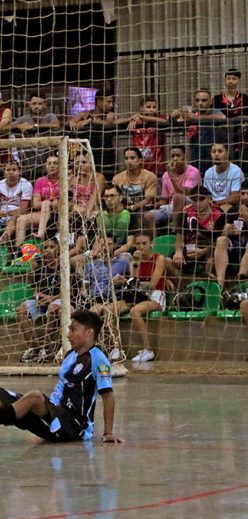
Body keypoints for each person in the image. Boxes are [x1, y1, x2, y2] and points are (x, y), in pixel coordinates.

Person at [0, 310, 123, 445]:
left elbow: (108, 396)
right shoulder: (70, 355)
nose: (68, 335)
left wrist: (108, 433)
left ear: (89, 333)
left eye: (73, 330)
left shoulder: (98, 359)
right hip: (51, 415)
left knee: (35, 397)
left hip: (73, 426)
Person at [92, 232, 167, 363]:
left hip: (155, 296)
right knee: (109, 309)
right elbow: (134, 281)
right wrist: (132, 269)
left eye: (144, 243)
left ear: (151, 244)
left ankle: (148, 350)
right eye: (138, 243)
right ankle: (116, 348)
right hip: (137, 295)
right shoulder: (134, 260)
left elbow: (152, 285)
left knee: (135, 311)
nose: (141, 246)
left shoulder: (159, 259)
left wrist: (128, 281)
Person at [17, 239, 63, 364]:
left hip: (60, 300)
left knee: (53, 307)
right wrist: (38, 297)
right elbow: (35, 289)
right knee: (20, 310)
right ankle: (34, 348)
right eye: (46, 247)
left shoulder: (64, 266)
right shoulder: (39, 267)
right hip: (42, 301)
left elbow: (70, 291)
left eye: (52, 247)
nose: (48, 250)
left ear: (58, 249)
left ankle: (45, 349)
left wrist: (51, 298)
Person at [69, 91, 128, 176]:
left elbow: (110, 123)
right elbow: (72, 123)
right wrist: (80, 122)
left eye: (112, 102)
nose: (111, 105)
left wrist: (91, 122)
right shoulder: (85, 114)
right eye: (108, 102)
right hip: (88, 155)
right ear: (99, 102)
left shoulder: (110, 115)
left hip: (106, 157)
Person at [146, 144, 201, 234]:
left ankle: (175, 232)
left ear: (185, 157)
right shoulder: (165, 175)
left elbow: (186, 192)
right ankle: (154, 242)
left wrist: (172, 177)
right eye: (172, 156)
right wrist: (156, 204)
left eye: (178, 156)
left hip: (192, 204)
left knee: (178, 197)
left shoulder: (193, 171)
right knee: (149, 216)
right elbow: (165, 200)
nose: (175, 158)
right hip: (172, 206)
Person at [171, 89, 226, 173]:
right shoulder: (192, 114)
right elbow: (178, 121)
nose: (200, 103)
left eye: (204, 100)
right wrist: (173, 116)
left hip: (213, 156)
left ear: (211, 101)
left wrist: (197, 118)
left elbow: (222, 117)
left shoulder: (214, 112)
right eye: (197, 100)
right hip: (196, 156)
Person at [112, 147, 159, 227]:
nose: (129, 161)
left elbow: (148, 199)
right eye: (126, 158)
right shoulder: (117, 178)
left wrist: (133, 207)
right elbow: (114, 197)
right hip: (122, 209)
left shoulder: (149, 176)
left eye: (132, 158)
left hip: (142, 209)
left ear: (140, 160)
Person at [214, 183, 248, 288]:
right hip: (236, 245)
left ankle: (241, 278)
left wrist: (246, 216)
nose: (245, 197)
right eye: (243, 194)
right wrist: (228, 231)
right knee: (221, 240)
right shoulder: (234, 210)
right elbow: (224, 232)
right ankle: (220, 283)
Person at [213, 68, 246, 166]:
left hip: (241, 136)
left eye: (234, 78)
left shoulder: (245, 98)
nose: (231, 81)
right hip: (221, 135)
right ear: (225, 79)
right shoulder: (216, 99)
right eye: (229, 78)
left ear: (239, 80)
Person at [127, 96, 167, 175]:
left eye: (154, 107)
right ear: (141, 108)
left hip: (157, 167)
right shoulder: (136, 121)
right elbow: (115, 122)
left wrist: (142, 116)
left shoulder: (159, 118)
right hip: (139, 168)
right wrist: (130, 119)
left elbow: (164, 121)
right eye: (148, 107)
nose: (152, 109)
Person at [202, 142, 243, 207]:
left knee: (226, 207)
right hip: (212, 205)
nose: (216, 154)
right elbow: (205, 194)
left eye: (220, 151)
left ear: (227, 154)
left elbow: (235, 198)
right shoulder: (208, 172)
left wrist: (216, 203)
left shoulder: (236, 171)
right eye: (214, 151)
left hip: (229, 206)